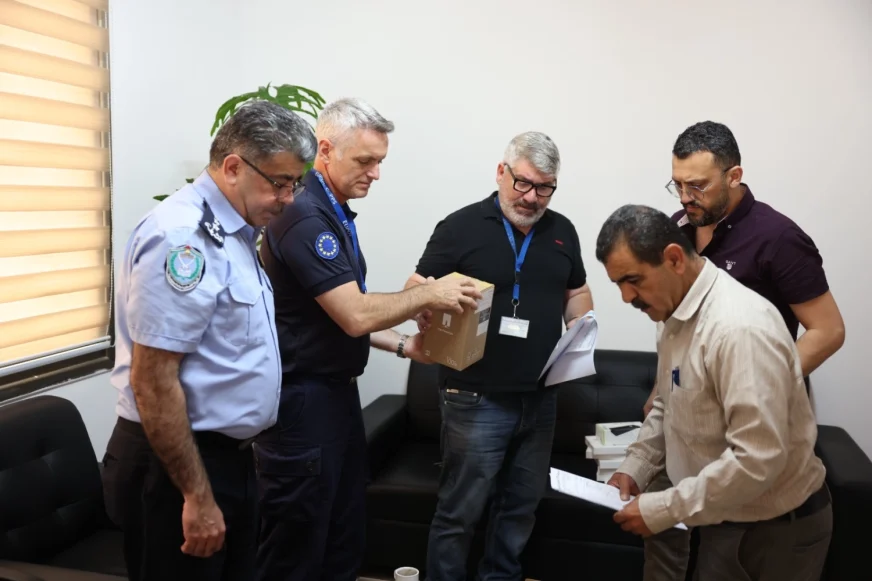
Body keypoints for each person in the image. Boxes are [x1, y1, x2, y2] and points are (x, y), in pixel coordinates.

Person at [253, 97, 482, 581]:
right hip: (302, 403)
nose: (375, 173)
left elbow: (339, 316)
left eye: (380, 161)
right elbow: (355, 314)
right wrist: (429, 294)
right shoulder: (305, 216)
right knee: (299, 550)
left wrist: (403, 345)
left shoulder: (333, 210)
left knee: (343, 539)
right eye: (365, 161)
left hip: (334, 397)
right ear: (324, 149)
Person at [102, 100, 317, 581]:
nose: (288, 198)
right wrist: (197, 496)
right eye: (279, 182)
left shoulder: (235, 231)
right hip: (177, 465)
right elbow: (153, 379)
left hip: (224, 460)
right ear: (233, 167)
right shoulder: (182, 238)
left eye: (295, 184)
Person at [596, 204, 833, 581]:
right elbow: (667, 403)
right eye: (618, 284)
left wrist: (665, 508)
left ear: (674, 259)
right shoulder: (672, 313)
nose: (626, 297)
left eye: (633, 280)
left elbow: (757, 458)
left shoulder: (739, 329)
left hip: (772, 531)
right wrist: (635, 467)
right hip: (724, 515)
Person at [406, 131, 594, 581]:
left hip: (540, 399)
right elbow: (415, 287)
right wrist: (427, 306)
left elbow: (577, 291)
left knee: (520, 509)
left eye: (544, 188)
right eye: (523, 183)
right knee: (460, 512)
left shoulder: (562, 231)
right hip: (474, 398)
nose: (531, 198)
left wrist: (581, 325)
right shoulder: (460, 227)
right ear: (500, 172)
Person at [642, 120, 845, 418]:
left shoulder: (779, 238)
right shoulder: (676, 229)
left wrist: (761, 388)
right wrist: (660, 391)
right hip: (691, 412)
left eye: (697, 186)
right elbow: (677, 327)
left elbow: (828, 331)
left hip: (758, 413)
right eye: (678, 184)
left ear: (734, 177)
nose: (685, 197)